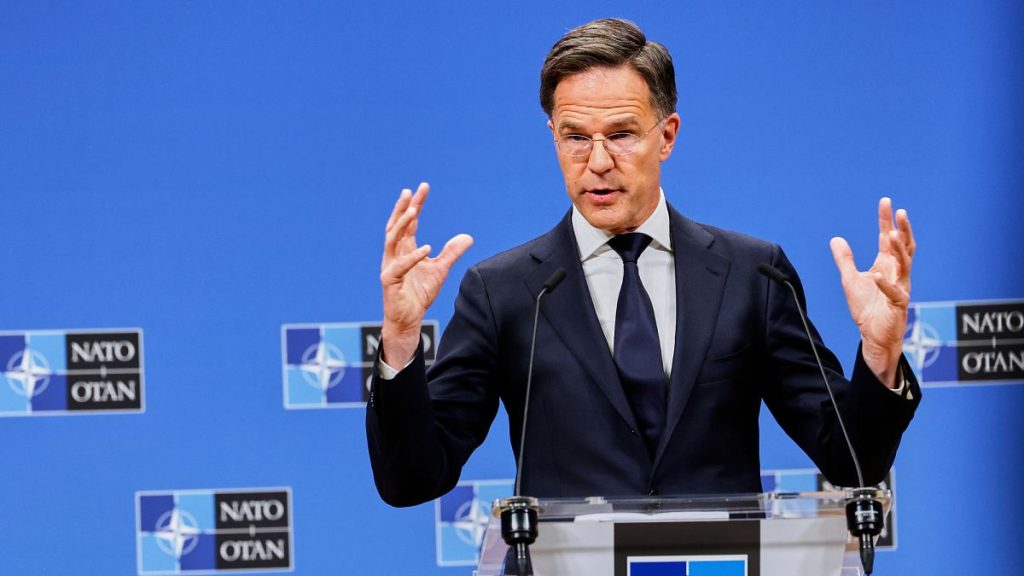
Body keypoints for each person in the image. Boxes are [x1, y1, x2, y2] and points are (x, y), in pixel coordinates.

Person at [366, 18, 920, 507]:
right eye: (575, 137)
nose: (598, 162)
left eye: (622, 134)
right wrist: (399, 339)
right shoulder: (504, 290)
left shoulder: (753, 274)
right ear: (552, 138)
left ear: (667, 136)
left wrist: (879, 352)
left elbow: (853, 461)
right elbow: (412, 480)